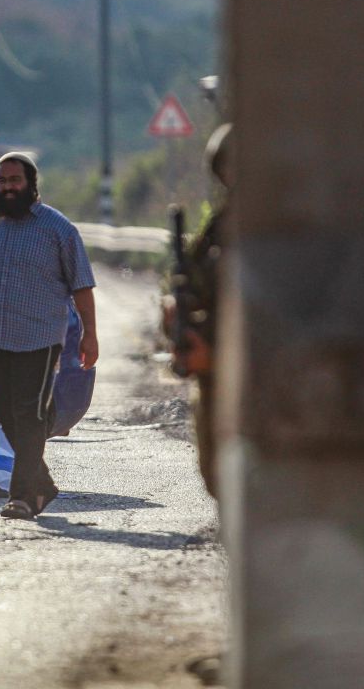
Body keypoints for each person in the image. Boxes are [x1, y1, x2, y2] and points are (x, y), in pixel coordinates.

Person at [0, 152, 98, 520]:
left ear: (31, 184)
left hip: (40, 340)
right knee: (5, 413)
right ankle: (42, 482)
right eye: (2, 180)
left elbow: (82, 286)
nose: (8, 187)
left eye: (15, 180)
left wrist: (89, 335)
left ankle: (23, 496)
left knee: (27, 414)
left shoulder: (57, 229)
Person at [163, 122, 232, 497]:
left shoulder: (280, 227)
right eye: (226, 167)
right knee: (216, 473)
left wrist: (218, 354)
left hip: (251, 374)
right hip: (215, 372)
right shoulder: (221, 224)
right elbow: (196, 287)